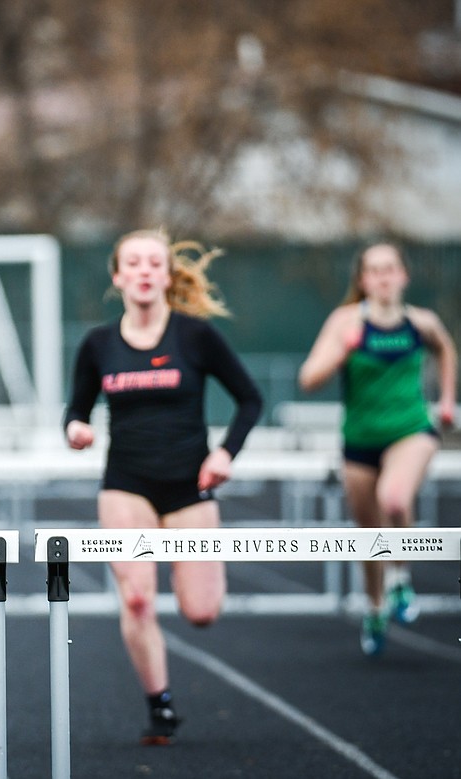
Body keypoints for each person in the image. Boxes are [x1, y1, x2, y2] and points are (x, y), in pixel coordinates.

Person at [62, 228, 262, 745]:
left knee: (201, 612)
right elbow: (77, 408)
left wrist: (225, 453)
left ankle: (192, 612)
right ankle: (161, 706)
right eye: (135, 262)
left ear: (168, 276)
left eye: (155, 262)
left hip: (188, 484)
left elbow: (249, 399)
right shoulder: (99, 343)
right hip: (126, 484)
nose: (146, 270)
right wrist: (76, 429)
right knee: (137, 601)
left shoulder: (195, 337)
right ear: (118, 276)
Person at [298, 242, 456, 657]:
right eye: (375, 270)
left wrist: (445, 401)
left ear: (403, 275)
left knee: (395, 496)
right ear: (363, 280)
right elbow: (308, 379)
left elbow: (445, 349)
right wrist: (342, 350)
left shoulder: (421, 323)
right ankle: (375, 605)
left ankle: (400, 577)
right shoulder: (345, 322)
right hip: (360, 440)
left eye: (391, 269)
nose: (384, 277)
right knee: (369, 538)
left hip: (411, 430)